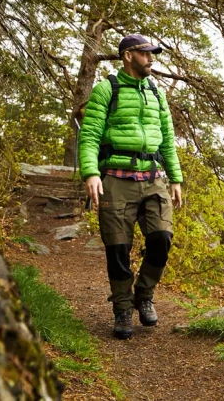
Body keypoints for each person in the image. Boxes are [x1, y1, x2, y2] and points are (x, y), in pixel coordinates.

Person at [78, 34, 183, 339]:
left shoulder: (156, 93)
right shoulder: (106, 90)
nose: (151, 58)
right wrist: (91, 173)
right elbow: (89, 136)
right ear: (127, 56)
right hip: (116, 179)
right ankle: (123, 308)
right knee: (118, 249)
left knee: (162, 237)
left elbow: (167, 139)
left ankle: (144, 295)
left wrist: (175, 178)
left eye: (152, 54)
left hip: (153, 178)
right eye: (145, 53)